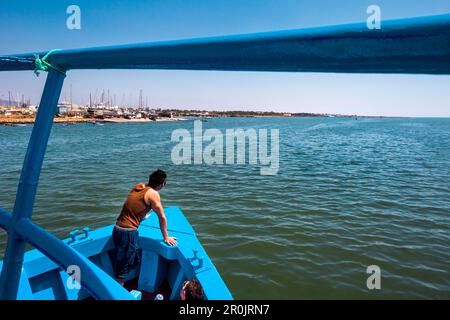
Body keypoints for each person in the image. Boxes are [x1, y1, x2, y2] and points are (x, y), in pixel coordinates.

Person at [112, 169, 177, 285]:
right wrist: (166, 237)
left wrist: (141, 215)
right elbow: (162, 217)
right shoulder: (153, 194)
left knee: (127, 261)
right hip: (128, 233)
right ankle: (118, 293)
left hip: (117, 229)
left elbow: (133, 203)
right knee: (123, 270)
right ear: (162, 184)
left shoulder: (139, 186)